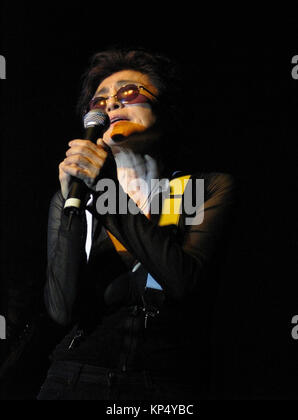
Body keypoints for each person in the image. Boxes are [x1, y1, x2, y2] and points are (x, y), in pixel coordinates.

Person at [37, 47, 237, 400]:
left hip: (168, 386)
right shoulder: (74, 197)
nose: (110, 105)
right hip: (74, 379)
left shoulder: (206, 188)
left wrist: (104, 192)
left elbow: (184, 282)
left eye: (128, 93)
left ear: (165, 107)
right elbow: (61, 309)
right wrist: (76, 206)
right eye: (99, 103)